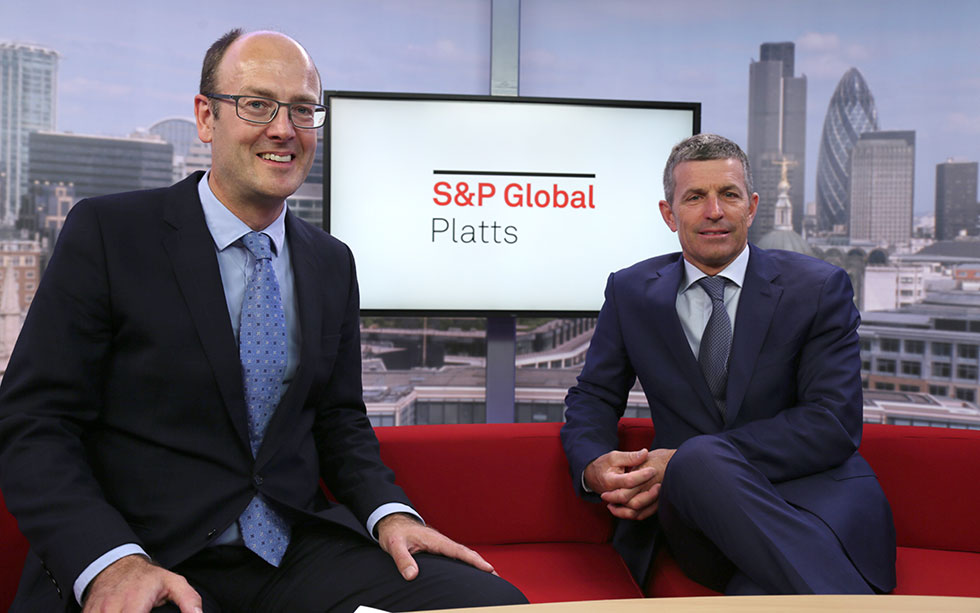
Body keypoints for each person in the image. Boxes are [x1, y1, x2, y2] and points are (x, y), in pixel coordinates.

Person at [0, 29, 526, 613]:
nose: (283, 129)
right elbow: (34, 423)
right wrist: (111, 563)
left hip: (293, 554)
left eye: (302, 109)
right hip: (149, 553)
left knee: (491, 603)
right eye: (257, 104)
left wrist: (390, 514)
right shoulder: (110, 234)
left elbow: (340, 421)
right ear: (206, 117)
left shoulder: (331, 261)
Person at [560, 133, 896, 595]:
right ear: (669, 214)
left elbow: (832, 422)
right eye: (695, 197)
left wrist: (689, 460)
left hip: (811, 503)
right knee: (700, 462)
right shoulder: (630, 291)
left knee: (752, 595)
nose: (714, 211)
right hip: (693, 519)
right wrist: (594, 464)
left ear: (751, 207)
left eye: (729, 195)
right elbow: (594, 396)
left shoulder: (818, 289)